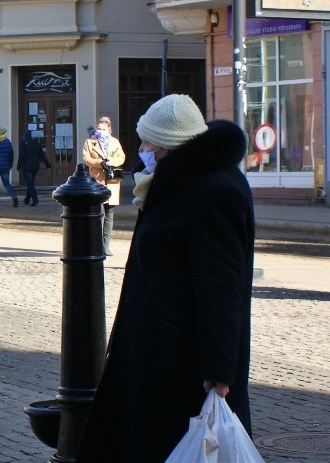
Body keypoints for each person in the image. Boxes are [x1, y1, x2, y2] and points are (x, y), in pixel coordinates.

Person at [77, 95, 255, 462]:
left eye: (148, 142)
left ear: (169, 144)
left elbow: (222, 286)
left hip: (182, 361)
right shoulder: (174, 182)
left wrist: (219, 368)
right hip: (156, 353)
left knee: (174, 445)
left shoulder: (212, 190)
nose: (142, 149)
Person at [82, 116, 126, 256]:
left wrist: (111, 162)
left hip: (111, 181)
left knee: (109, 213)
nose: (101, 131)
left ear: (109, 130)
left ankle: (106, 244)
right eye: (99, 129)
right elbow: (86, 159)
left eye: (103, 129)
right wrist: (100, 162)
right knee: (97, 212)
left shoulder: (114, 142)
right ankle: (95, 244)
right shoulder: (90, 142)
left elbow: (121, 157)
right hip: (97, 180)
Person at [16, 129, 52, 206]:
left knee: (30, 184)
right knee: (30, 183)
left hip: (27, 167)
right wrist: (47, 164)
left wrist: (18, 166)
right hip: (35, 167)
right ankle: (27, 200)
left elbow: (21, 156)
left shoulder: (23, 143)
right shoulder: (36, 143)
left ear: (24, 136)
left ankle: (35, 199)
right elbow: (42, 155)